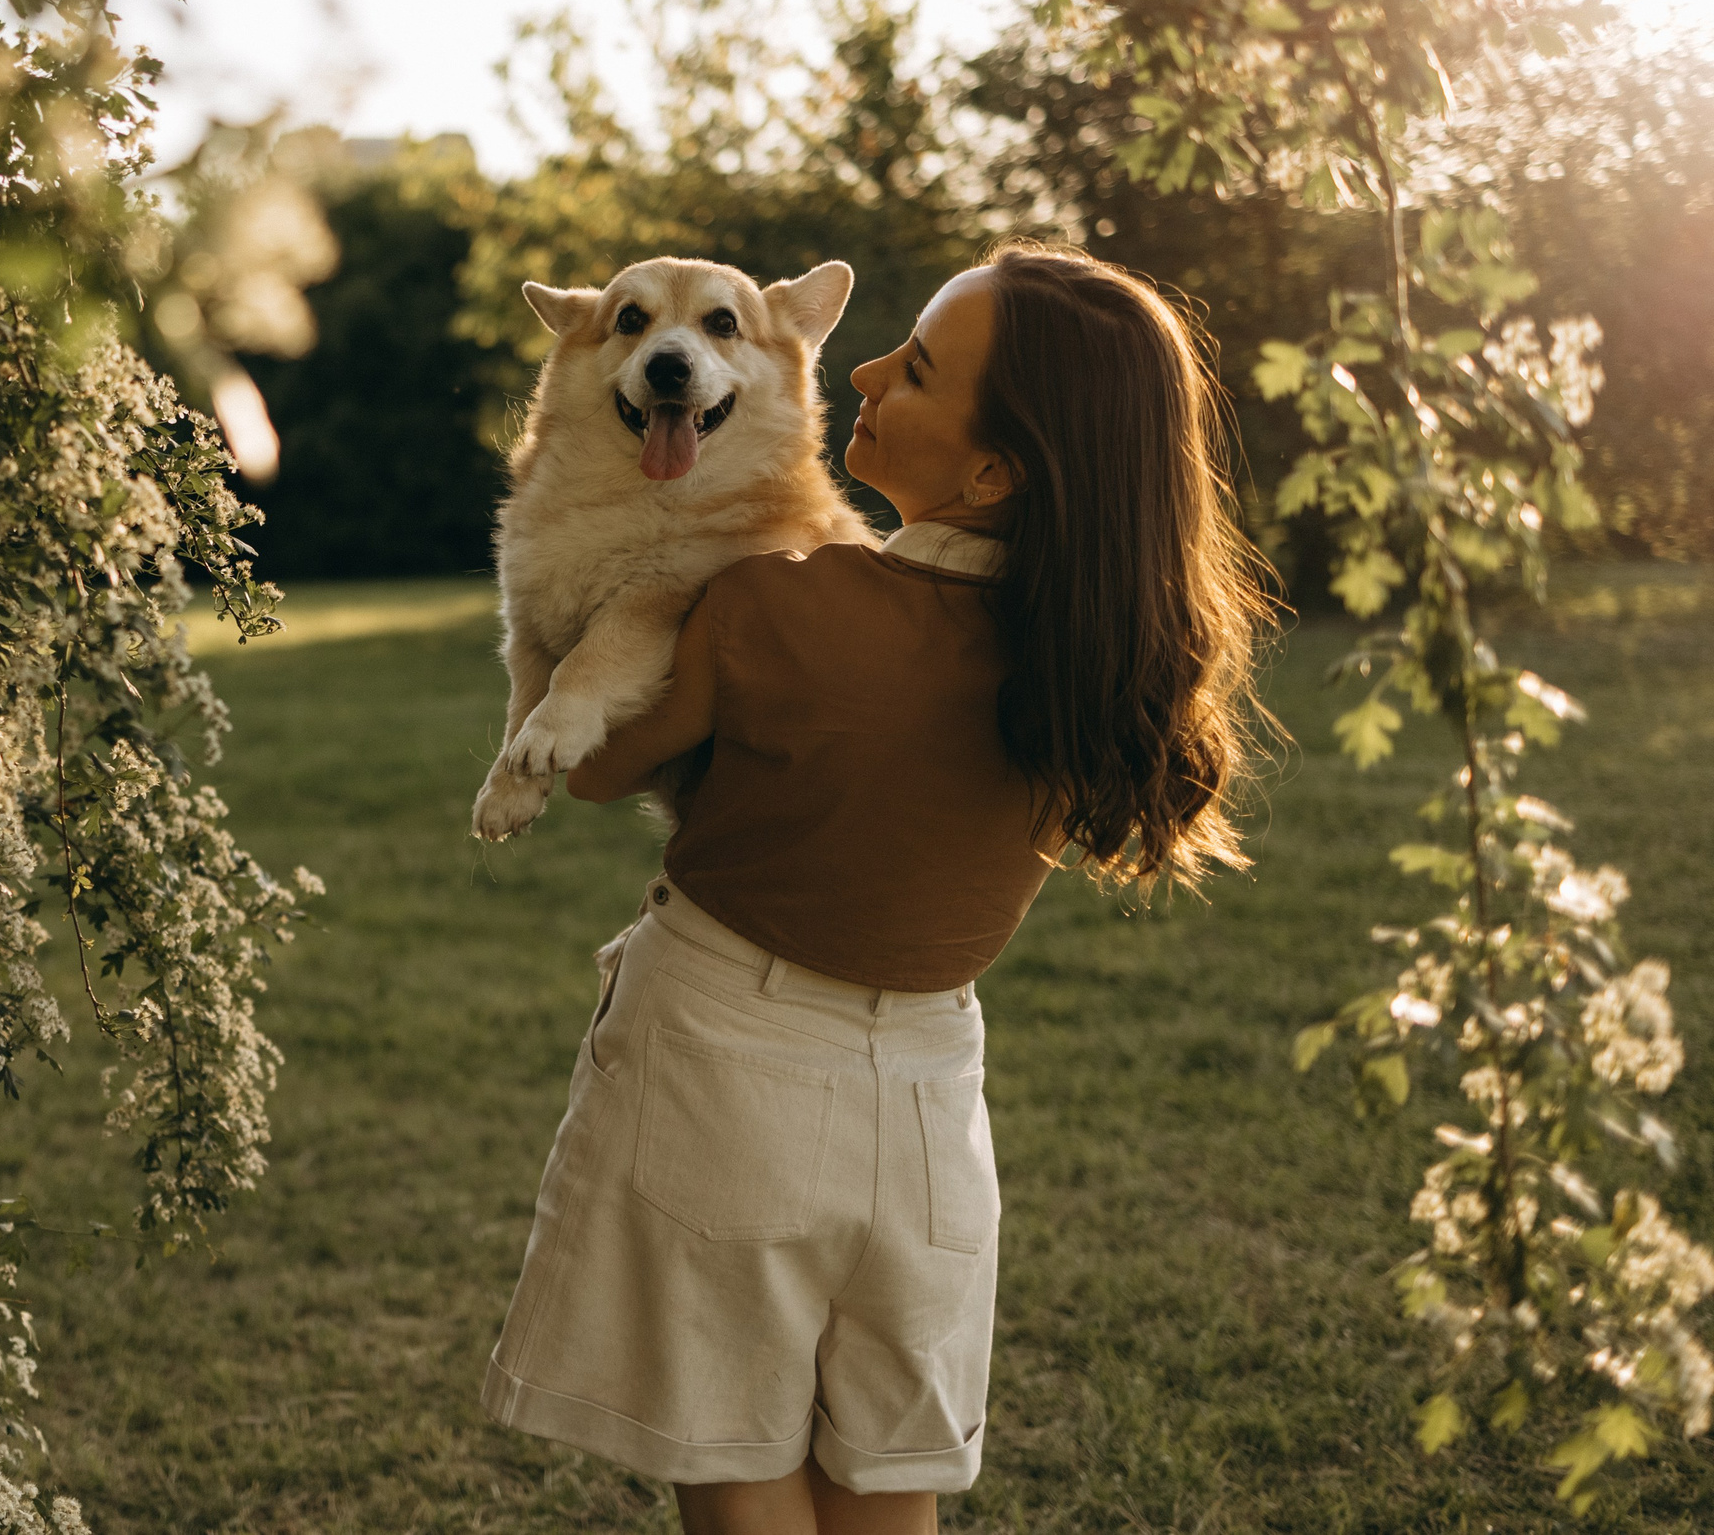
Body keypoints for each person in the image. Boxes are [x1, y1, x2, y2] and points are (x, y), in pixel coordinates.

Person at [479, 243, 1277, 1535]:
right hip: (929, 1108)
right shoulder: (1089, 659)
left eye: (912, 368)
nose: (858, 367)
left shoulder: (771, 607)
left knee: (738, 1461)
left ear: (989, 470)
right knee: (884, 1482)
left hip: (720, 1065)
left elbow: (597, 766)